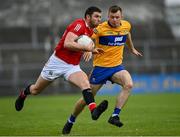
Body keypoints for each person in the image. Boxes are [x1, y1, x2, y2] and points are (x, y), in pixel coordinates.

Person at [15, 6, 108, 122]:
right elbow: (67, 44)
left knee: (85, 83)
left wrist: (91, 49)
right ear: (88, 17)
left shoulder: (92, 29)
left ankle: (93, 110)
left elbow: (85, 42)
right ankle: (23, 94)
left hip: (72, 66)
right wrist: (86, 48)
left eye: (100, 17)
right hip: (57, 63)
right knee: (35, 90)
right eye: (96, 16)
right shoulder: (78, 25)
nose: (99, 19)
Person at [62, 5, 143, 134]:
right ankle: (70, 121)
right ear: (108, 16)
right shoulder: (100, 28)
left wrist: (131, 48)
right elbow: (89, 39)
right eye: (112, 17)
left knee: (129, 84)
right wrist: (88, 49)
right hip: (100, 68)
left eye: (117, 17)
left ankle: (114, 116)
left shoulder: (126, 25)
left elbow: (127, 34)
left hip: (116, 67)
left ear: (121, 17)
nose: (115, 20)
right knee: (86, 99)